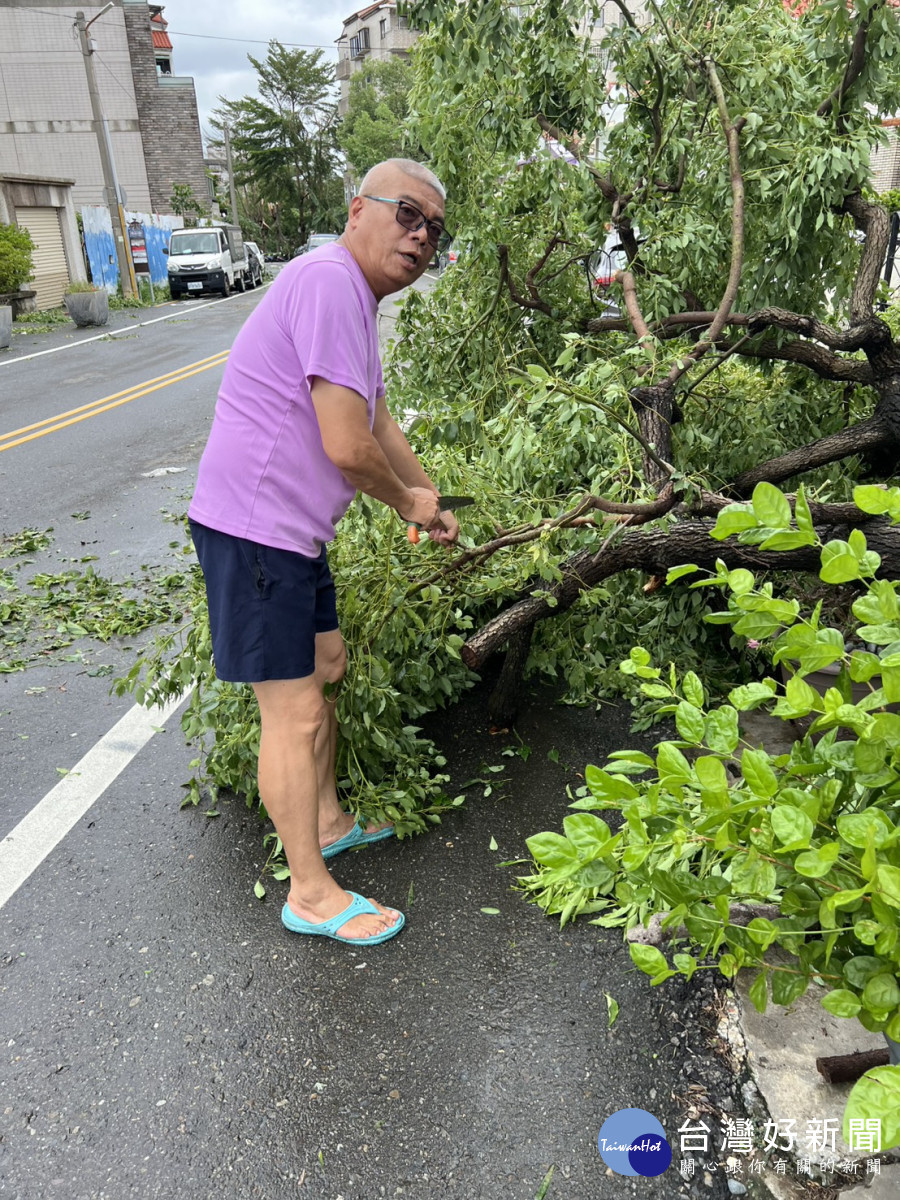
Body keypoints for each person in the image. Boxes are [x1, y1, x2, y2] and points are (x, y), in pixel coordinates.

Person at [187, 160, 458, 947]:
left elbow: (374, 420)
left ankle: (330, 820)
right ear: (357, 210)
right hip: (253, 528)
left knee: (329, 669)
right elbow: (346, 447)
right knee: (295, 710)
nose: (421, 236)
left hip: (291, 534)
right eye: (408, 213)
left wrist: (428, 493)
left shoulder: (354, 305)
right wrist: (405, 502)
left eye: (434, 229)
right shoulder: (330, 280)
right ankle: (309, 892)